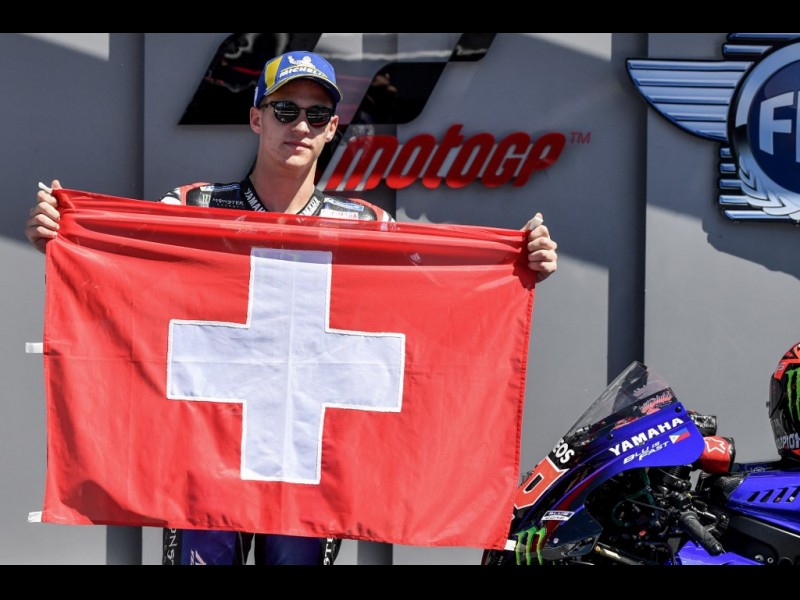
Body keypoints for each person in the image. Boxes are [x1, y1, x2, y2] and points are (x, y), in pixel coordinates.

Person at [24, 50, 559, 565]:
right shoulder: (190, 208)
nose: (300, 125)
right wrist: (67, 238)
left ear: (332, 128)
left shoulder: (366, 226)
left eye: (316, 114)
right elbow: (122, 280)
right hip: (204, 455)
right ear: (256, 118)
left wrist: (517, 264)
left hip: (312, 466)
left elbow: (437, 306)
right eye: (284, 110)